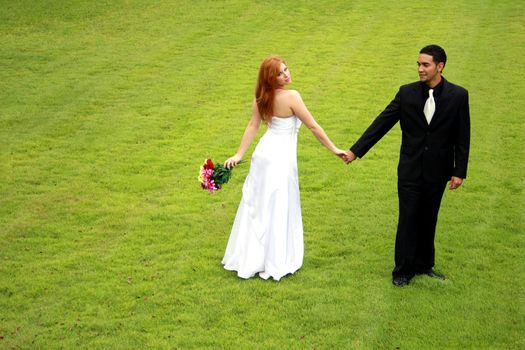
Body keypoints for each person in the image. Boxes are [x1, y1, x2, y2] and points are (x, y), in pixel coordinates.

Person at [344, 45, 470, 287]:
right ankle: (402, 270)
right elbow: (381, 123)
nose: (420, 69)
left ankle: (424, 265)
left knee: (429, 217)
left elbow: (462, 136)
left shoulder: (458, 95)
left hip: (438, 170)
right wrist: (355, 151)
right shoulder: (407, 93)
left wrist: (459, 171)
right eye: (418, 64)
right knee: (409, 217)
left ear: (440, 66)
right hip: (410, 170)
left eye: (426, 65)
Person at [222, 56, 346, 281]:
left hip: (263, 155)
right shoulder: (291, 96)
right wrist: (334, 149)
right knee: (278, 205)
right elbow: (313, 126)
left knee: (260, 206)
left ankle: (252, 257)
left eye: (286, 70)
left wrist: (240, 154)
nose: (286, 74)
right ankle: (275, 259)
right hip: (280, 159)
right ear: (271, 78)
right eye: (280, 73)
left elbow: (253, 126)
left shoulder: (261, 98)